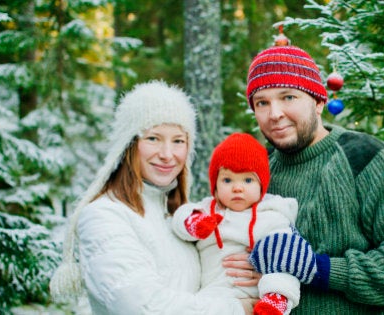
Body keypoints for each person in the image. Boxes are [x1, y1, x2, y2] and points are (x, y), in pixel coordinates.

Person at [244, 41, 384, 314]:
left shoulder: (364, 157)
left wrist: (319, 269)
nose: (275, 114)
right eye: (262, 102)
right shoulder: (255, 171)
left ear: (319, 102)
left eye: (288, 97)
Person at [49, 80, 256, 314]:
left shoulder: (179, 217)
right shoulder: (104, 215)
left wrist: (252, 266)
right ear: (128, 145)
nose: (167, 154)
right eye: (153, 138)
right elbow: (142, 306)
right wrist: (235, 308)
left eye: (178, 141)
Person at [171, 133, 300, 315]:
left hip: (259, 292)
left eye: (248, 180)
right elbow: (180, 216)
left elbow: (288, 252)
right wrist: (194, 223)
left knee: (283, 265)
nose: (237, 188)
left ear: (261, 184)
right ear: (215, 184)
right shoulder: (208, 209)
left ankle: (276, 301)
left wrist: (273, 281)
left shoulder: (271, 215)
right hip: (215, 291)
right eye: (227, 180)